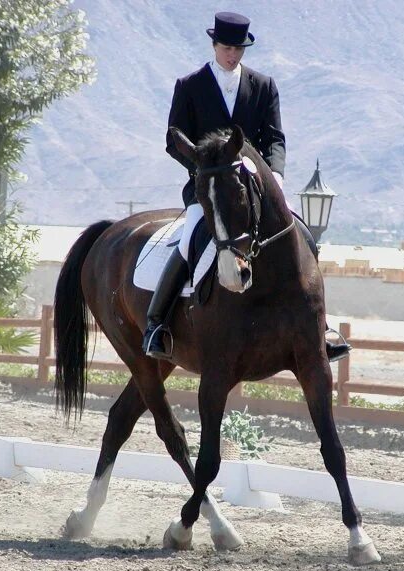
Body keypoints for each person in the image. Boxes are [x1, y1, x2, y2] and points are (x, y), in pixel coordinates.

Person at [143, 11, 350, 363]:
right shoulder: (190, 85)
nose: (232, 55)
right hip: (207, 190)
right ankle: (157, 324)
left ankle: (321, 327)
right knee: (190, 238)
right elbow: (173, 138)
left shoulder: (263, 85)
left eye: (238, 49)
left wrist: (276, 174)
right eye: (226, 47)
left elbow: (275, 138)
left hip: (254, 191)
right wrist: (204, 170)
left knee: (302, 237)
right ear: (214, 44)